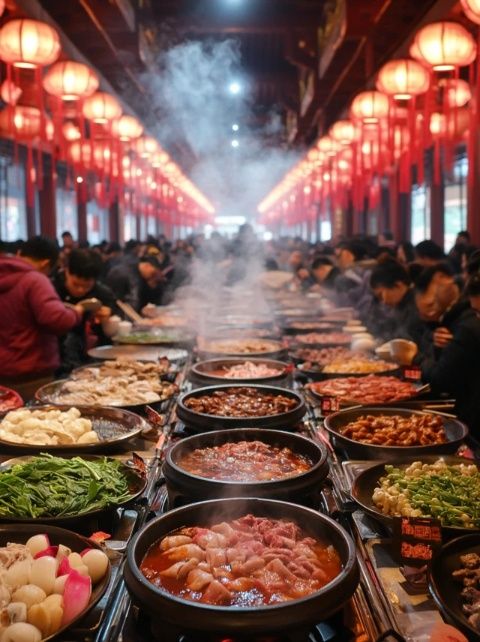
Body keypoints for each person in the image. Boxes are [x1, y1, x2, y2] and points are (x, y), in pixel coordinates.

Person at [0, 236, 82, 400]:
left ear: (19, 252)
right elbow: (56, 320)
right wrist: (76, 313)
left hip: (3, 375)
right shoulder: (35, 279)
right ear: (46, 263)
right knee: (36, 423)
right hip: (31, 373)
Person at [413, 264, 480, 431]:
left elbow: (441, 379)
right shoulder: (458, 324)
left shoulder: (466, 326)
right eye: (477, 312)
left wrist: (415, 357)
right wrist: (438, 346)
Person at [52, 249, 116, 374]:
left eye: (87, 286)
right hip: (57, 358)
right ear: (66, 270)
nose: (81, 290)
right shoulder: (52, 289)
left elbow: (114, 313)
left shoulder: (103, 293)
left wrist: (108, 315)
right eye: (75, 284)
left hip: (92, 358)